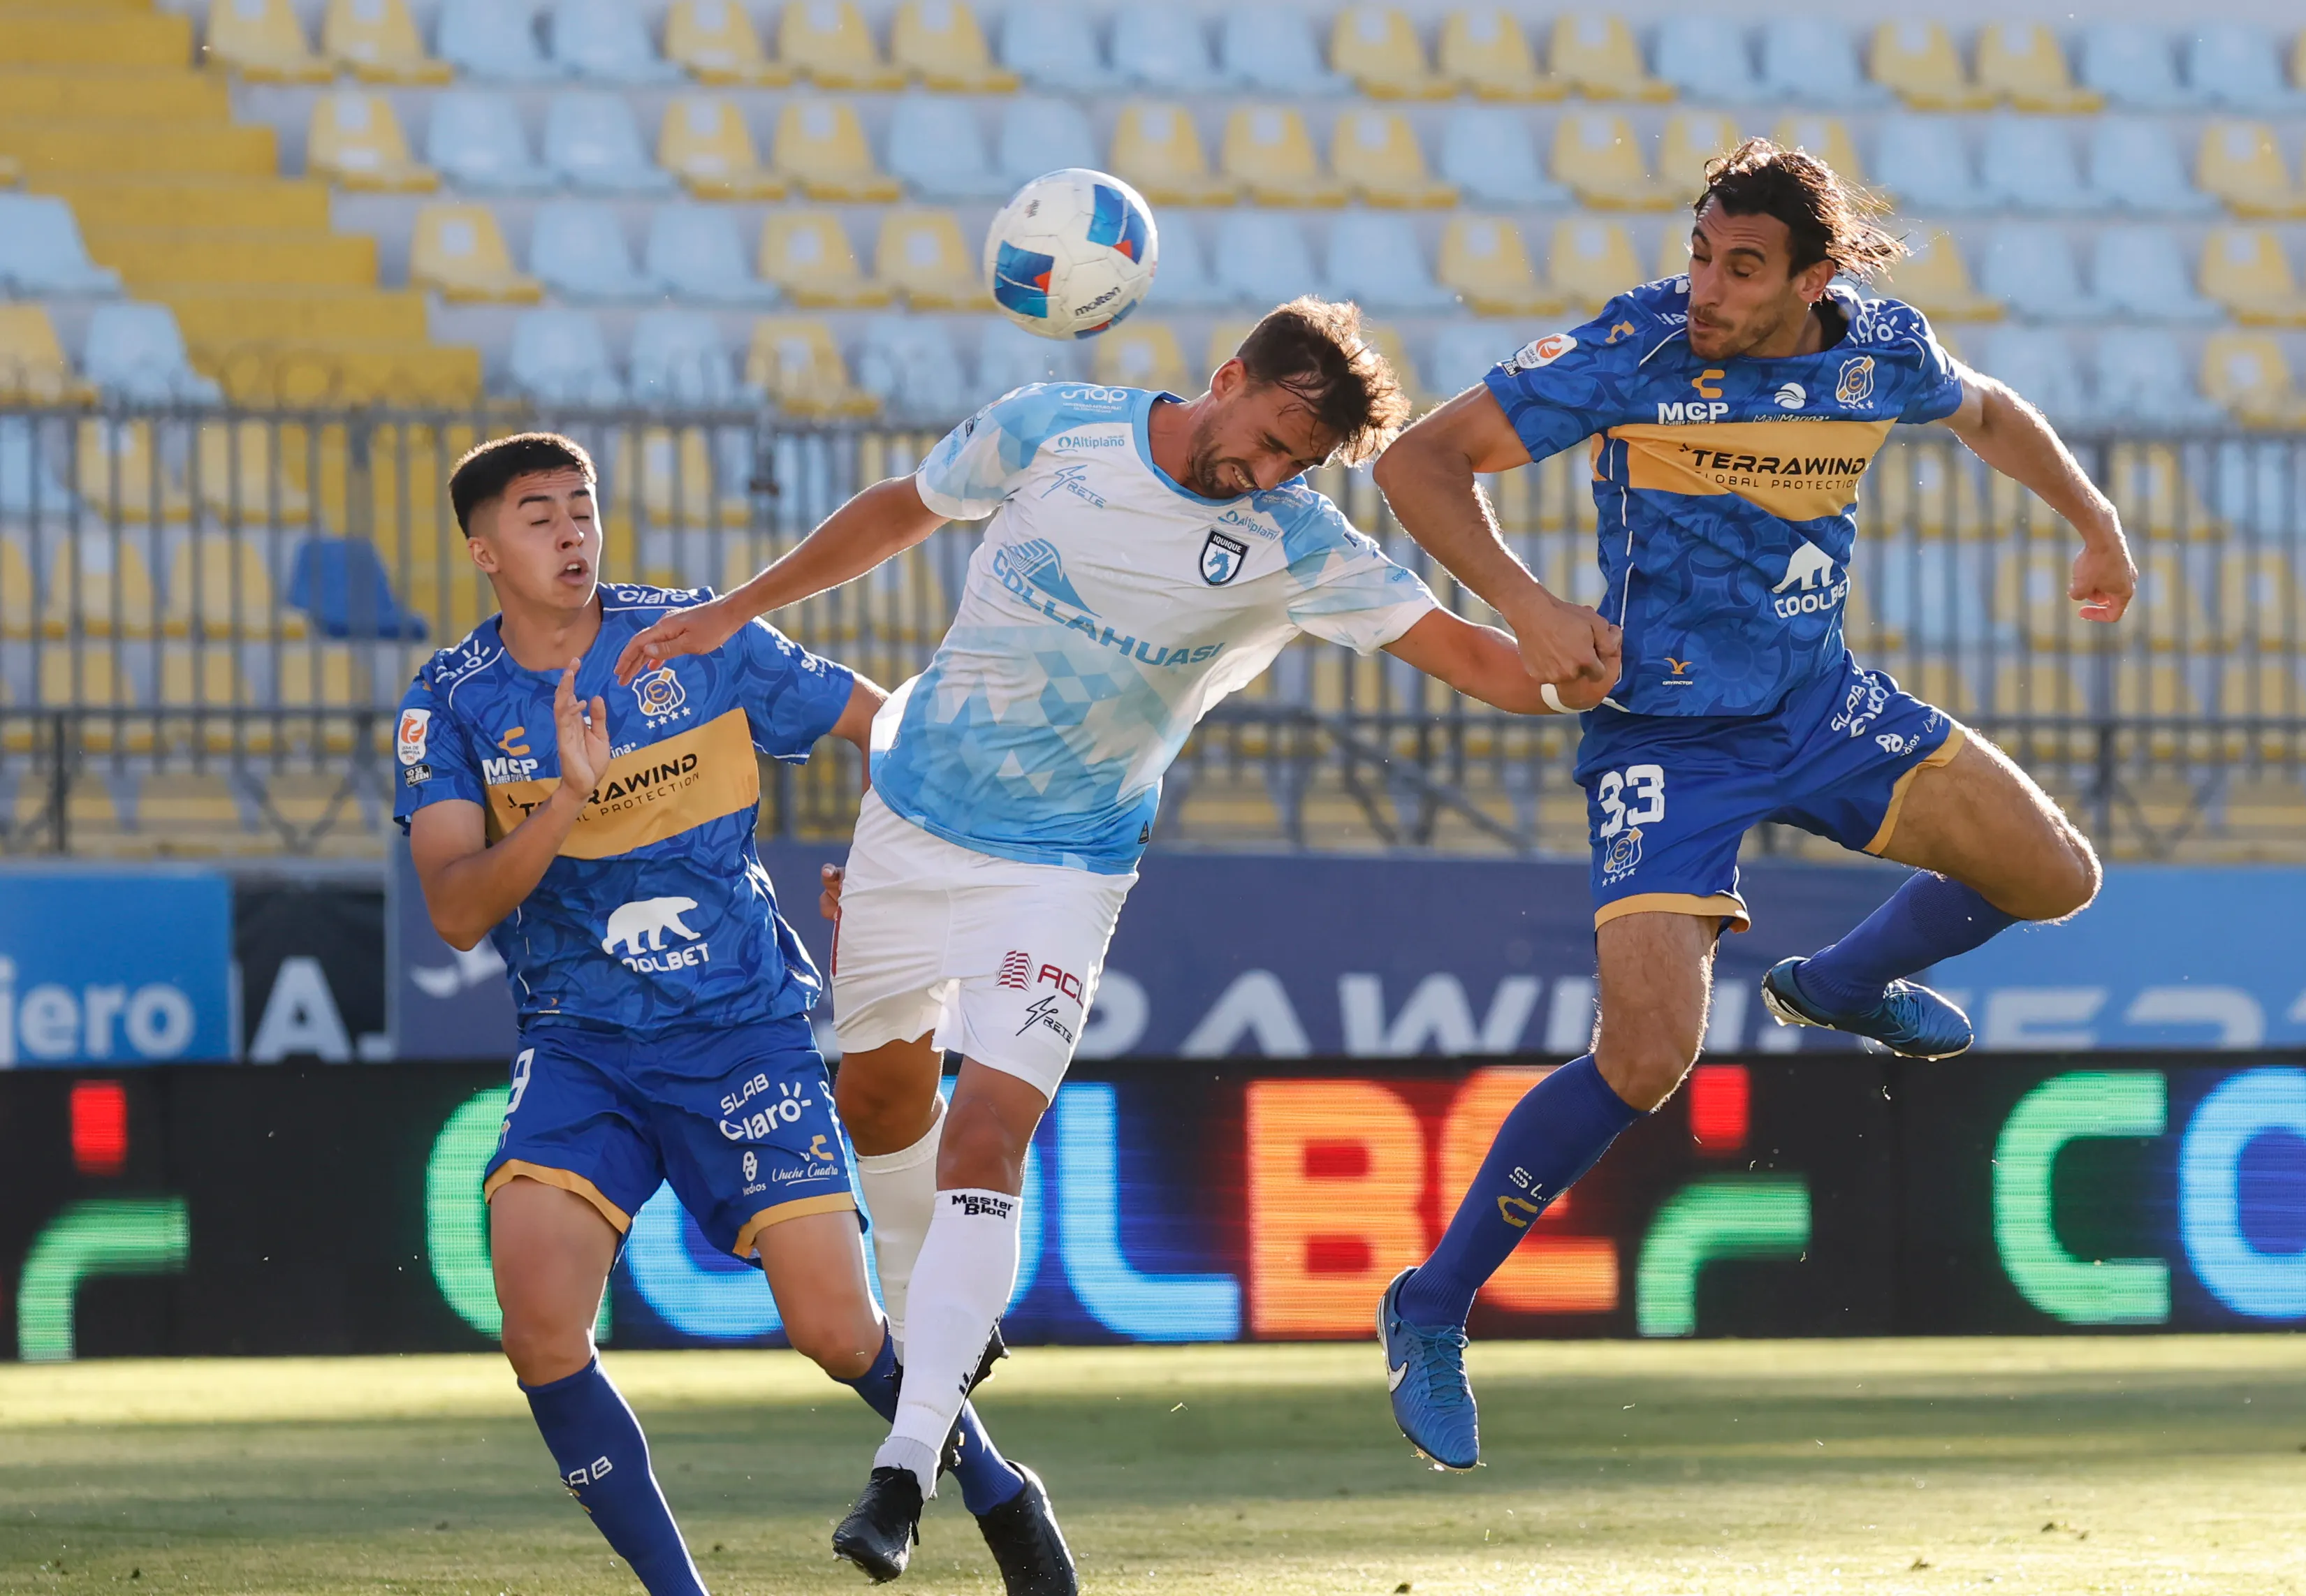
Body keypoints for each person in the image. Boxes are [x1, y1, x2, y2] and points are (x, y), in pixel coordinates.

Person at [611, 298, 1619, 1576]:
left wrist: (1576, 668)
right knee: (879, 1104)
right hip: (911, 824)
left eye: (1296, 464)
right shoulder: (1055, 430)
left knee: (989, 1137)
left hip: (1064, 869)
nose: (1266, 473)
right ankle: (963, 1394)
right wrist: (731, 609)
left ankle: (905, 1469)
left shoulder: (1296, 544)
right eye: (1267, 437)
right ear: (1229, 374)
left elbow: (1473, 659)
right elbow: (903, 506)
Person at [1368, 138, 2140, 1469]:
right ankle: (1431, 1303)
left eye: (1741, 267)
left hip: (1819, 706)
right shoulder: (1636, 351)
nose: (1708, 290)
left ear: (1814, 275)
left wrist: (2095, 520)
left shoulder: (1876, 349)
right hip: (1667, 740)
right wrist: (1534, 606)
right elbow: (1421, 466)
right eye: (1699, 255)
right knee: (1647, 1058)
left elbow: (1990, 410)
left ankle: (1838, 984)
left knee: (2058, 876)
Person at [393, 432, 1074, 1596]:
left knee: (836, 1333)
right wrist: (566, 798)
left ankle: (999, 1488)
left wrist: (896, 860)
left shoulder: (694, 638)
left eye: (582, 507)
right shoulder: (450, 705)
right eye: (538, 516)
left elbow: (889, 729)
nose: (570, 533)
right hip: (581, 1047)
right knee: (538, 1326)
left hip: (742, 1032)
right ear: (484, 550)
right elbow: (457, 910)